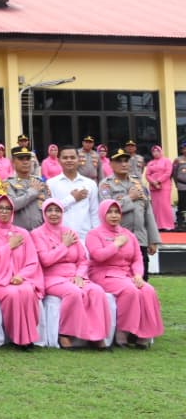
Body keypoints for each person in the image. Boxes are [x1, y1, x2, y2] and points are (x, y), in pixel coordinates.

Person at [30, 198, 110, 350]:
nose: (54, 214)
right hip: (52, 277)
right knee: (73, 292)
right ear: (44, 213)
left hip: (75, 276)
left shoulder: (69, 232)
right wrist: (64, 245)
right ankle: (65, 334)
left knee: (96, 291)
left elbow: (83, 260)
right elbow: (46, 260)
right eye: (50, 210)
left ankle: (96, 335)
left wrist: (79, 275)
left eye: (57, 210)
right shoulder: (37, 234)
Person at [86, 200, 164, 348]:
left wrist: (138, 275)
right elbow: (98, 256)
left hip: (127, 275)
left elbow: (137, 258)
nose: (114, 215)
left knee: (148, 290)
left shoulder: (128, 235)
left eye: (117, 212)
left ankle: (144, 334)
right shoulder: (94, 234)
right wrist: (116, 245)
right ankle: (123, 333)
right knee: (130, 290)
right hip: (104, 274)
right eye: (110, 212)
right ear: (102, 214)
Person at [0, 195, 43, 349]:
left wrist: (21, 276)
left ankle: (28, 336)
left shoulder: (23, 233)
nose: (4, 211)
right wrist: (9, 246)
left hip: (21, 279)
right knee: (12, 294)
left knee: (27, 291)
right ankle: (18, 337)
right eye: (0, 208)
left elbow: (32, 260)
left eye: (8, 208)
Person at [99, 148, 161, 272]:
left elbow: (148, 212)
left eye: (126, 161)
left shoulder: (138, 183)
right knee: (121, 277)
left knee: (142, 277)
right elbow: (107, 211)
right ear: (111, 164)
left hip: (140, 239)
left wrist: (153, 240)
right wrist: (130, 198)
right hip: (118, 240)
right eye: (119, 161)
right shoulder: (106, 185)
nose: (123, 164)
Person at [46, 146, 99, 239]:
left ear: (78, 159)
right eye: (65, 158)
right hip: (60, 237)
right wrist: (72, 199)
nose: (69, 160)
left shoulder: (90, 183)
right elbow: (49, 211)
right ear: (59, 160)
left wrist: (96, 236)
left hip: (85, 237)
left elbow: (94, 212)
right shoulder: (51, 183)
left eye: (72, 157)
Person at [2, 145, 46, 231]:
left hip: (40, 232)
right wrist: (33, 192)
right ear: (13, 162)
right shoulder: (7, 183)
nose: (25, 162)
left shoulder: (39, 181)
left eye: (28, 159)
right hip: (18, 233)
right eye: (21, 159)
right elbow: (12, 205)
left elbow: (47, 206)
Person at [143, 145, 176, 231]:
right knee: (156, 206)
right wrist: (153, 182)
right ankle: (157, 226)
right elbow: (147, 174)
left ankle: (168, 225)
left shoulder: (166, 161)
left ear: (161, 151)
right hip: (153, 187)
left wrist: (158, 181)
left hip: (164, 187)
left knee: (165, 205)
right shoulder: (150, 163)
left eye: (157, 151)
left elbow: (168, 173)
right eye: (153, 151)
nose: (155, 153)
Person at [175, 141, 186, 231]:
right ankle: (180, 224)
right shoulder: (178, 160)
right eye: (184, 148)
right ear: (182, 150)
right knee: (181, 205)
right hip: (182, 186)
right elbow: (174, 173)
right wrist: (177, 184)